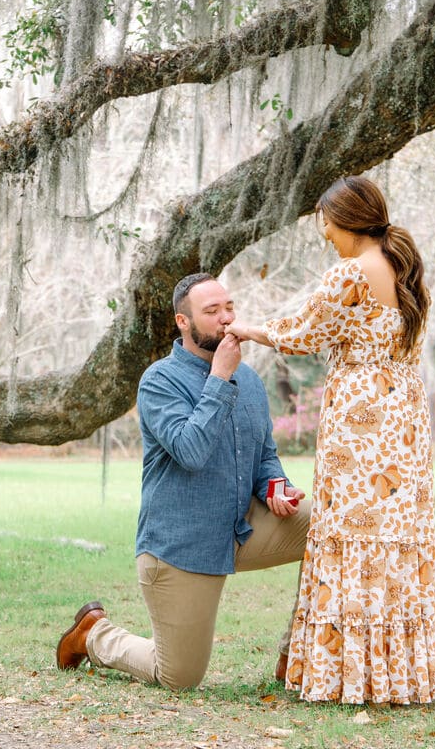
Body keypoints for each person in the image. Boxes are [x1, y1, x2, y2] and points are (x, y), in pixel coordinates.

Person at [226, 175, 435, 705]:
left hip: (362, 426)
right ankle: (397, 677)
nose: (323, 231)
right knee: (392, 538)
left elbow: (302, 334)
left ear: (346, 220)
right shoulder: (403, 268)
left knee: (352, 533)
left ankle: (348, 675)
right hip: (405, 424)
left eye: (325, 220)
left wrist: (249, 330)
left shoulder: (351, 273)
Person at [55, 273, 312, 690]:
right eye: (211, 312)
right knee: (179, 676)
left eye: (229, 308)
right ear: (183, 322)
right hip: (182, 546)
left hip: (243, 529)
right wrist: (219, 379)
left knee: (333, 526)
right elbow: (190, 451)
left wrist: (275, 487)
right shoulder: (159, 381)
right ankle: (93, 635)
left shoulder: (249, 381)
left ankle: (298, 654)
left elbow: (263, 454)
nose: (226, 319)